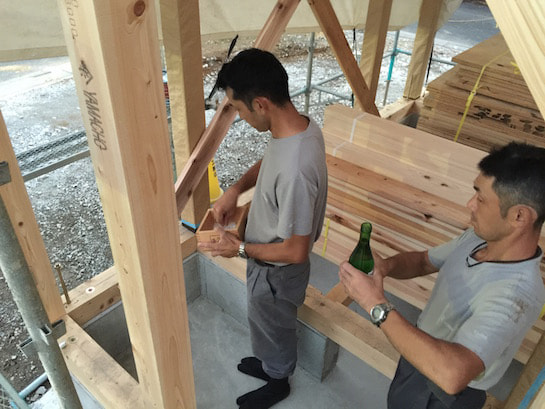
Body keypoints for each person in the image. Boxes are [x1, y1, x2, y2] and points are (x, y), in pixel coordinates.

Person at [339, 142, 545, 409]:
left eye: (481, 199)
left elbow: (452, 375)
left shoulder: (517, 294)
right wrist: (386, 267)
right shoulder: (479, 239)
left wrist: (375, 304)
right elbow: (424, 262)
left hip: (444, 395)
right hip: (419, 355)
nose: (470, 204)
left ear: (519, 216)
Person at [198, 48, 328, 409]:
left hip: (276, 272)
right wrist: (236, 189)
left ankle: (278, 380)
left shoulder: (297, 171)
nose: (240, 117)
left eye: (239, 109)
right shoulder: (298, 129)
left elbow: (295, 251)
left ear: (260, 104)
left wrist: (238, 249)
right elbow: (271, 159)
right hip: (269, 267)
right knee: (267, 323)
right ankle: (272, 364)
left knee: (275, 325)